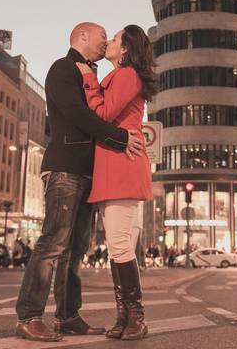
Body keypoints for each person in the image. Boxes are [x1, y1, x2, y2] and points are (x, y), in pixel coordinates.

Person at [14, 23, 144, 342]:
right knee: (53, 241)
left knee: (75, 249)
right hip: (66, 168)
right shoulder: (63, 68)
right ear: (83, 36)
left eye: (110, 39)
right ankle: (29, 316)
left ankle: (68, 315)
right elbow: (79, 115)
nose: (105, 42)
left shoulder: (94, 75)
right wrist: (119, 137)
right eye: (103, 36)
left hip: (89, 172)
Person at [76, 25, 156, 340]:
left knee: (121, 245)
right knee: (115, 247)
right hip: (114, 163)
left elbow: (105, 113)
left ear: (125, 49)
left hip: (123, 164)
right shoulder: (119, 76)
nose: (109, 41)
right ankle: (125, 317)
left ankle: (137, 316)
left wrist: (88, 79)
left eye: (117, 37)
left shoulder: (126, 75)